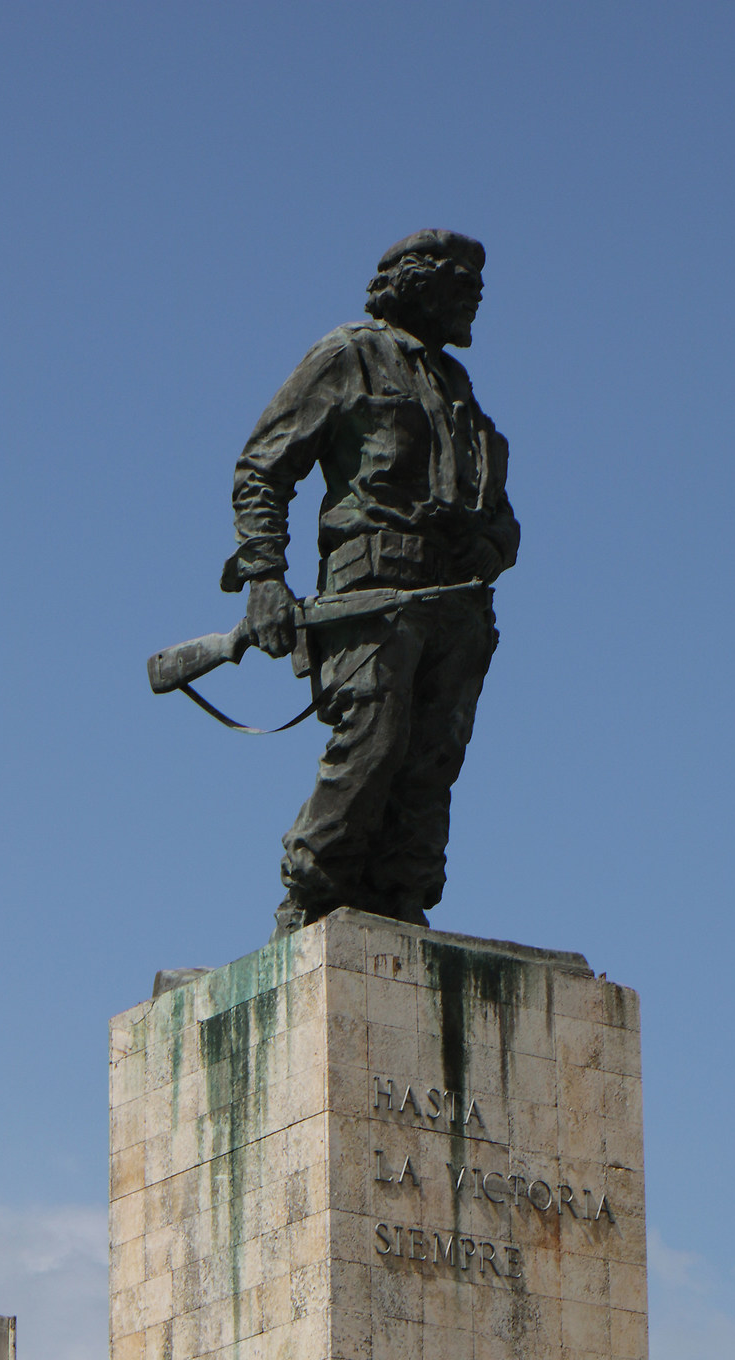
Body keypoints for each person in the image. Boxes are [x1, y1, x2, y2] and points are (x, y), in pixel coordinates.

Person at [228, 228, 520, 933]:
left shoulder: (455, 387)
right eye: (460, 287)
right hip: (374, 598)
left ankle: (401, 896)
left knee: (431, 759)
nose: (474, 302)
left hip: (456, 604)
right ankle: (312, 896)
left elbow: (498, 508)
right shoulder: (350, 355)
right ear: (417, 284)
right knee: (371, 744)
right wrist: (265, 575)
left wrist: (489, 541)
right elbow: (262, 469)